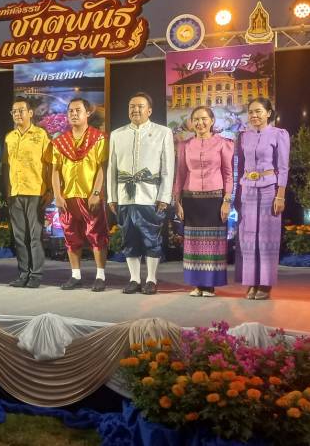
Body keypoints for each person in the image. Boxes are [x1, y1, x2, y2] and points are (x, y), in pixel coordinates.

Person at [107, 92, 175, 295]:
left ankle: (151, 279)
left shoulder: (163, 132)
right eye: (132, 106)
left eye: (140, 106)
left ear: (149, 110)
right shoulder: (117, 134)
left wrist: (164, 196)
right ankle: (134, 279)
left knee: (151, 238)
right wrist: (112, 196)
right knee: (129, 237)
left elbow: (168, 168)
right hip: (124, 195)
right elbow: (112, 167)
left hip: (151, 195)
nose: (135, 110)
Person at [173, 106, 233, 297]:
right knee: (193, 243)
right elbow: (180, 174)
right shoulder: (185, 145)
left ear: (212, 121)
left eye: (204, 119)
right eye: (196, 119)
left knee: (213, 243)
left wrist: (227, 200)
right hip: (191, 199)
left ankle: (210, 285)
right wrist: (177, 201)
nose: (200, 123)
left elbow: (228, 174)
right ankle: (197, 284)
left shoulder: (223, 144)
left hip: (215, 199)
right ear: (191, 123)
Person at [52, 98, 109, 291]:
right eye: (70, 111)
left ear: (88, 113)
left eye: (78, 110)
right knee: (70, 235)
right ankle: (75, 275)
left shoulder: (98, 138)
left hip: (90, 195)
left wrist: (96, 192)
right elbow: (55, 171)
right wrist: (57, 195)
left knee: (97, 235)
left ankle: (100, 276)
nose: (74, 114)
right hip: (67, 197)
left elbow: (102, 167)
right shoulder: (60, 142)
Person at [236, 97, 290, 300]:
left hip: (269, 189)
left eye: (258, 111)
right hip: (248, 189)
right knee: (248, 236)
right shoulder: (244, 136)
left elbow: (283, 167)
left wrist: (280, 195)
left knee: (267, 236)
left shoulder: (279, 134)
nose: (254, 115)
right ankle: (251, 281)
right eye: (251, 112)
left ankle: (266, 283)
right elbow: (240, 165)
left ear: (268, 113)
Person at [2, 97, 52, 288]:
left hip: (35, 191)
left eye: (21, 110)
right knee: (19, 237)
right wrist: (7, 191)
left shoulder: (41, 135)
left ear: (30, 113)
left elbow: (50, 164)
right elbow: (6, 166)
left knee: (34, 236)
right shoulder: (9, 137)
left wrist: (50, 190)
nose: (17, 114)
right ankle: (23, 274)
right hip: (15, 193)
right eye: (14, 111)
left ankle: (36, 275)